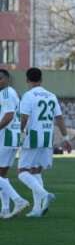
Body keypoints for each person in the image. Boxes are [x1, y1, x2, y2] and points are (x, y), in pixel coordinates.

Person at [16, 67, 72, 217]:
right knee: (36, 171)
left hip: (33, 137)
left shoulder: (28, 96)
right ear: (41, 80)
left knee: (22, 172)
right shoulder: (51, 96)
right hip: (48, 138)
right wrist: (66, 138)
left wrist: (19, 134)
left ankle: (44, 194)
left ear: (27, 80)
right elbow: (59, 118)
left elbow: (24, 118)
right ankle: (37, 209)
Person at [0, 69, 30, 218]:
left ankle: (18, 200)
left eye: (0, 78)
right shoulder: (12, 92)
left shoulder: (5, 93)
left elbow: (9, 115)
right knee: (2, 175)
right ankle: (5, 209)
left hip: (5, 138)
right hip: (12, 138)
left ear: (7, 79)